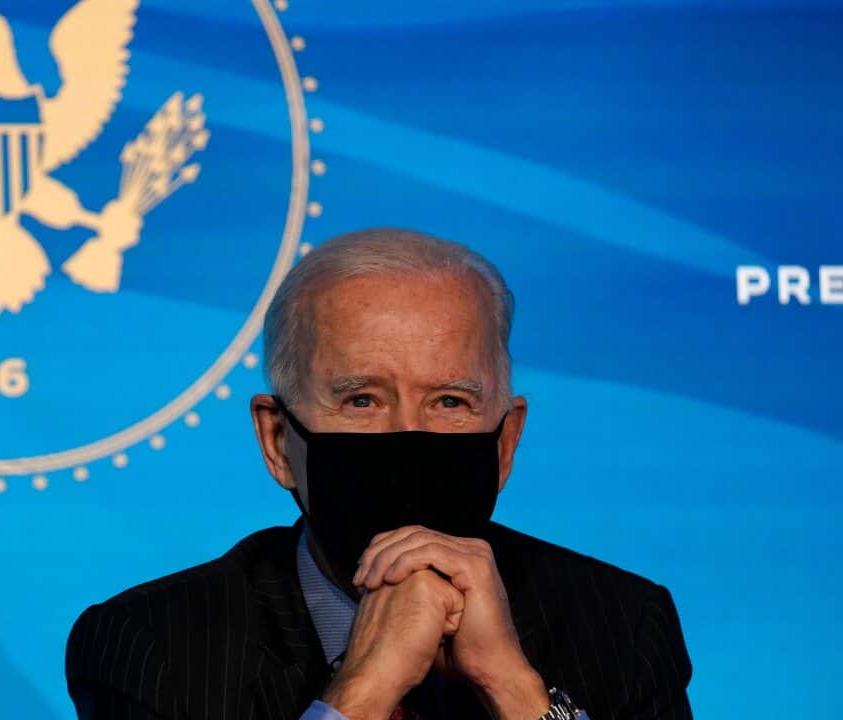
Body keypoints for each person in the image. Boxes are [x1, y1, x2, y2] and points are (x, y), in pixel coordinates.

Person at [65, 228, 691, 720]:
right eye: (362, 400)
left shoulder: (622, 626)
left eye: (450, 402)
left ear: (506, 441)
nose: (404, 438)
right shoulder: (152, 647)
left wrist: (514, 688)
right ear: (277, 439)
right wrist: (361, 693)